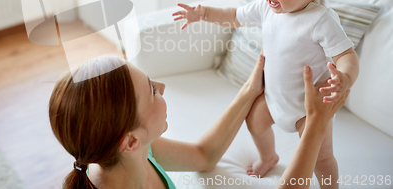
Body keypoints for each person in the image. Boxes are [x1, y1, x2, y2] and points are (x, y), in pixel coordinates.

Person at [172, 0, 359, 187]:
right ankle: (268, 156)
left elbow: (346, 55)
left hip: (309, 109)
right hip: (274, 99)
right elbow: (233, 16)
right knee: (254, 123)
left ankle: (331, 185)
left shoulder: (321, 20)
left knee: (322, 158)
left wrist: (344, 78)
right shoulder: (265, 7)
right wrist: (204, 13)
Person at [49, 54, 349, 189]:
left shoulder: (134, 153)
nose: (163, 87)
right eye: (152, 90)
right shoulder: (131, 154)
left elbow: (204, 156)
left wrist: (250, 89)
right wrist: (315, 122)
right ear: (130, 140)